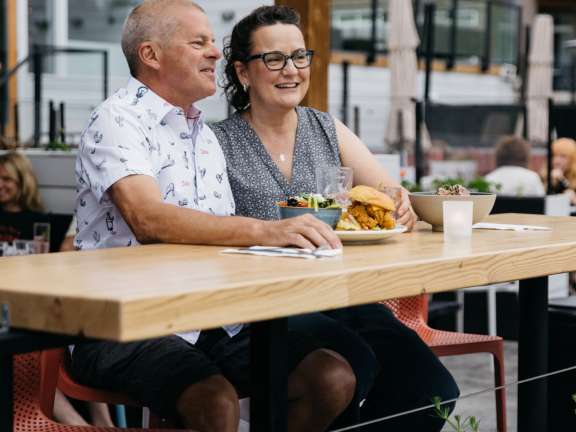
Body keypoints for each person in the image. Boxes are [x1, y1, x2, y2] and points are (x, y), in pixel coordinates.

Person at [70, 1, 362, 431]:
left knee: (331, 378)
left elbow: (215, 234)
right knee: (214, 402)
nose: (216, 53)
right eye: (199, 42)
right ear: (151, 55)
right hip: (125, 321)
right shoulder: (116, 120)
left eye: (212, 41)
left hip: (210, 317)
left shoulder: (202, 133)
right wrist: (268, 231)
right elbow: (148, 219)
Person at [210, 5, 459, 431]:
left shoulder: (326, 129)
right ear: (243, 72)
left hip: (339, 295)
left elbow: (390, 198)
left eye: (299, 56)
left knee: (431, 388)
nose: (291, 70)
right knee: (350, 370)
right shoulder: (217, 142)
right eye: (273, 59)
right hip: (264, 305)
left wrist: (399, 204)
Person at [543, 138, 576, 204]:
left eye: (563, 156)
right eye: (554, 156)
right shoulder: (544, 177)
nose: (556, 161)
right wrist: (551, 183)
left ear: (572, 159)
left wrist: (562, 181)